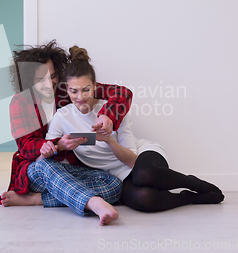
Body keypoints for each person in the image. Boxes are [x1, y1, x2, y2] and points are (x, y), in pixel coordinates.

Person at [42, 46, 224, 212]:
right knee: (145, 200)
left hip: (140, 157)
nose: (80, 97)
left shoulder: (112, 108)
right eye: (74, 91)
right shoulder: (62, 117)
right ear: (67, 89)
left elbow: (132, 161)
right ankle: (190, 198)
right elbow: (43, 155)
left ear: (95, 86)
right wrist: (61, 145)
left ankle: (193, 183)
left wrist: (109, 140)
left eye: (86, 90)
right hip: (115, 176)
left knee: (143, 175)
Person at [0, 40, 134, 225]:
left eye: (52, 76)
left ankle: (36, 199)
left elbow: (121, 93)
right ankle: (94, 203)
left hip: (71, 168)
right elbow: (25, 147)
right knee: (46, 165)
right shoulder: (20, 102)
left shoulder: (66, 90)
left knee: (114, 185)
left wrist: (106, 116)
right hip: (37, 169)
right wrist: (56, 145)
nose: (48, 83)